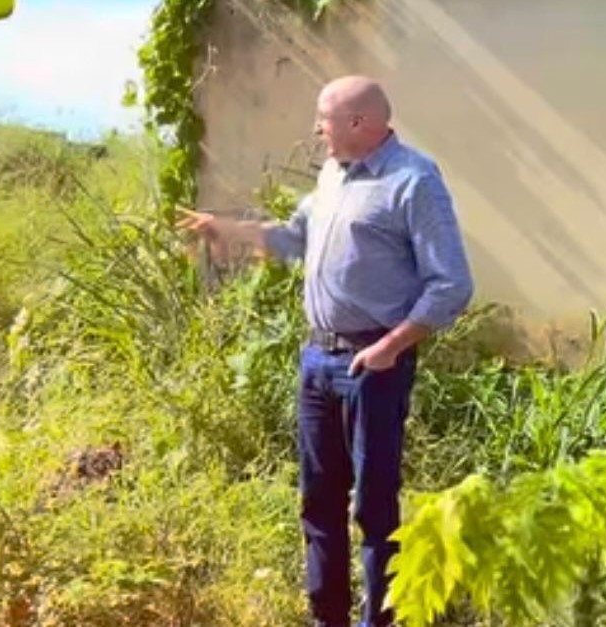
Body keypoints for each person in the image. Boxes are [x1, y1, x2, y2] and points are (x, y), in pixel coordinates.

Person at [178, 75, 473, 627]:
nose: (315, 129)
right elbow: (295, 238)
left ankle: (379, 620)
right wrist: (230, 231)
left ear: (358, 124)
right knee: (318, 500)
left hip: (373, 365)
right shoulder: (333, 176)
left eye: (324, 118)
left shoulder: (414, 181)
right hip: (316, 361)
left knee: (375, 508)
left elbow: (451, 284)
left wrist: (390, 347)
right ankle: (327, 618)